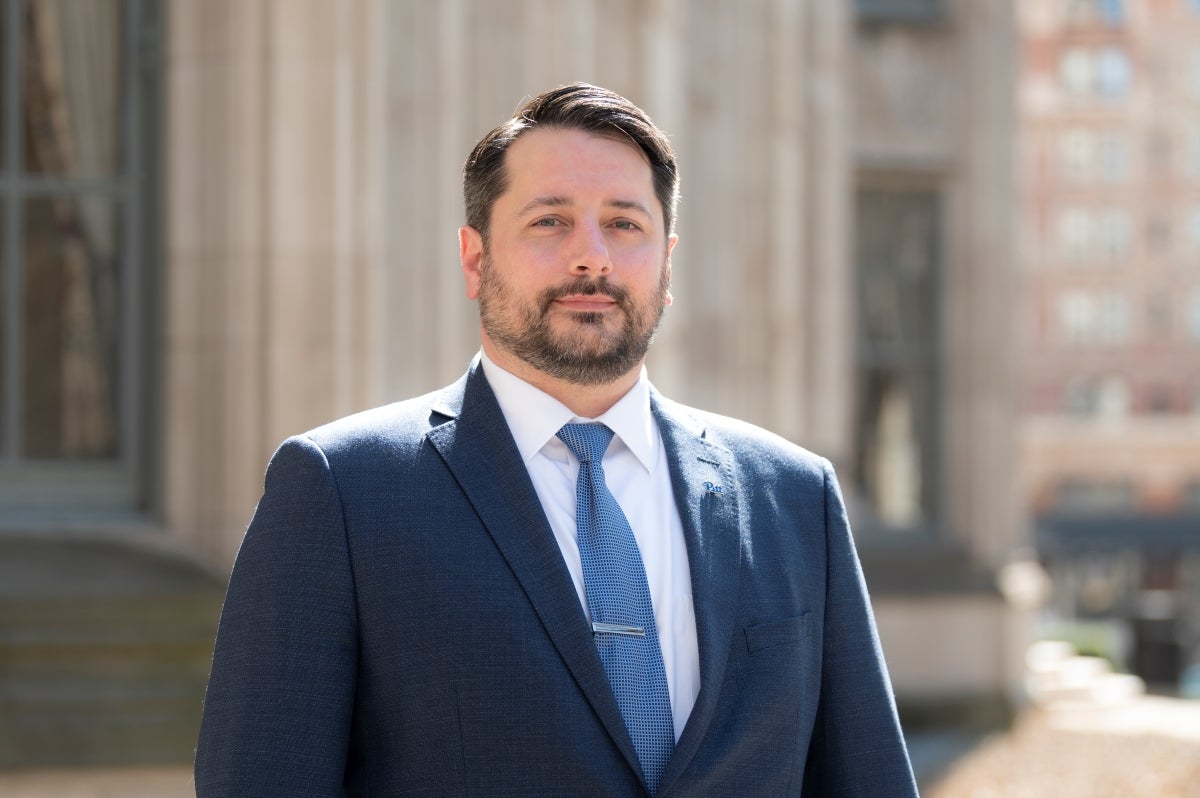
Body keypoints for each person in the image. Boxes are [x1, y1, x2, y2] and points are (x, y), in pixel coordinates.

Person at [194, 82, 918, 797]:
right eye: (550, 222)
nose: (591, 257)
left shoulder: (793, 496)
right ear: (475, 259)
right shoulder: (341, 493)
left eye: (624, 224)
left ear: (666, 264)